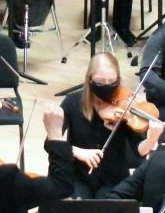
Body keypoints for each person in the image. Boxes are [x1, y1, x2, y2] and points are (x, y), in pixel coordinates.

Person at [47, 50, 149, 200]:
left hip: (114, 180)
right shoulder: (72, 102)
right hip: (78, 177)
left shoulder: (126, 107)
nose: (107, 87)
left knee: (107, 208)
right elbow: (50, 143)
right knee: (78, 207)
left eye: (112, 82)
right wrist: (78, 152)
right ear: (90, 80)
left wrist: (151, 139)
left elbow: (139, 150)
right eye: (100, 82)